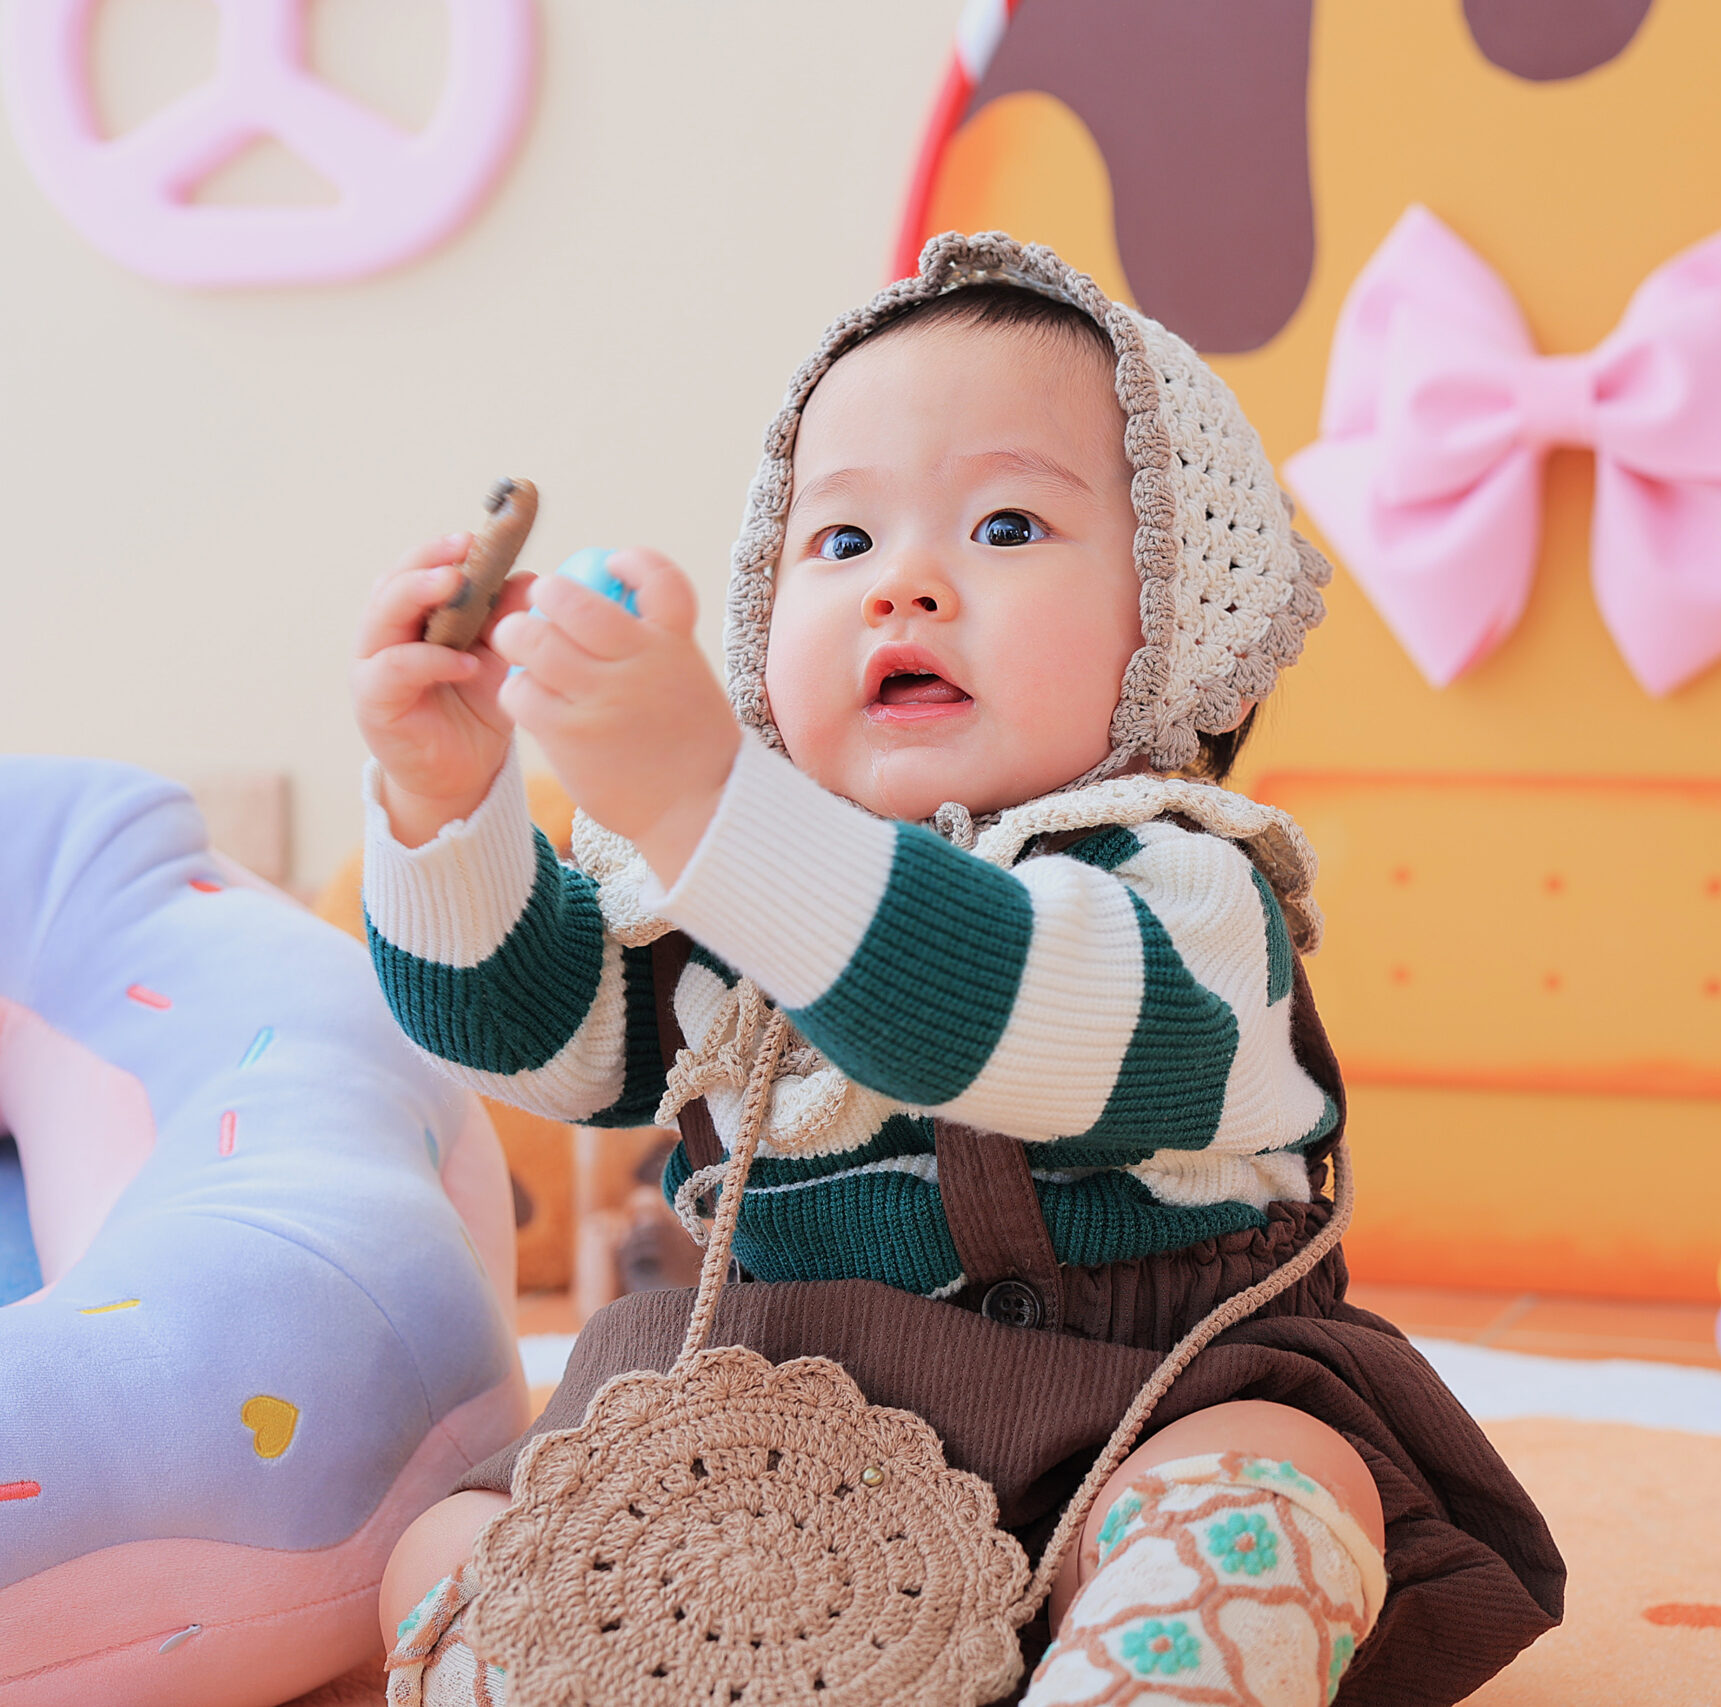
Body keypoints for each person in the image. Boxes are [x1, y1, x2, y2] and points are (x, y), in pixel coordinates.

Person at [352, 233, 1561, 1707]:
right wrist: (447, 801)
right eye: (842, 542)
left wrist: (707, 800)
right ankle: (608, 1677)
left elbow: (981, 1001)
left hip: (1128, 1420)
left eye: (1005, 525)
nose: (903, 586)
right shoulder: (721, 893)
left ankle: (1130, 1666)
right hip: (745, 1459)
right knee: (450, 1547)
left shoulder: (1185, 892)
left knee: (1277, 1477)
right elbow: (534, 1036)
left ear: (1175, 621)